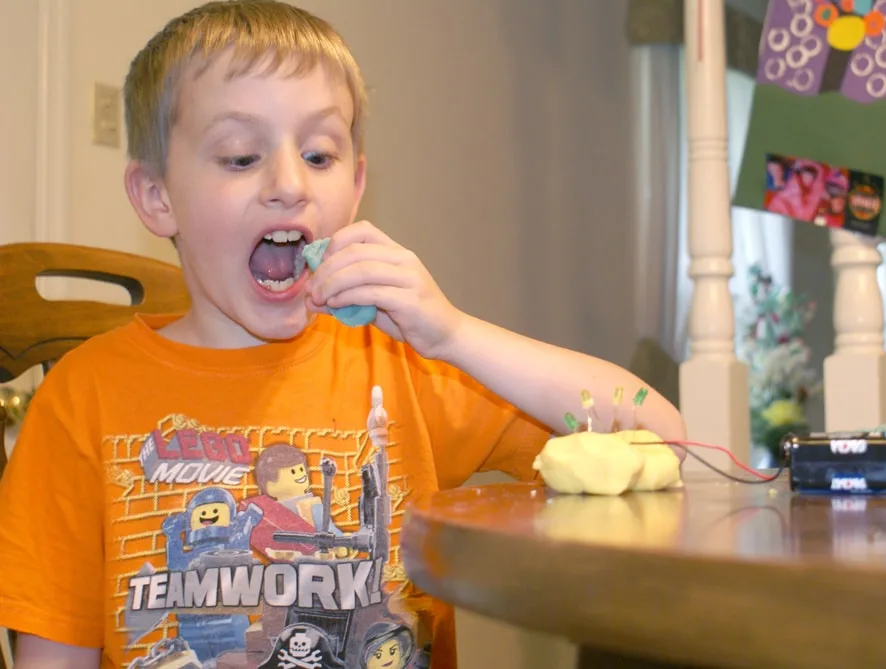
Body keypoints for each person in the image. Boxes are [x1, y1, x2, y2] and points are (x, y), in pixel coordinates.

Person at [0, 2, 686, 668]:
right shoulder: (79, 400)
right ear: (156, 196)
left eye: (320, 154)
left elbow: (665, 438)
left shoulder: (409, 365)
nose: (289, 184)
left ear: (356, 185)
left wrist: (454, 334)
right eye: (241, 156)